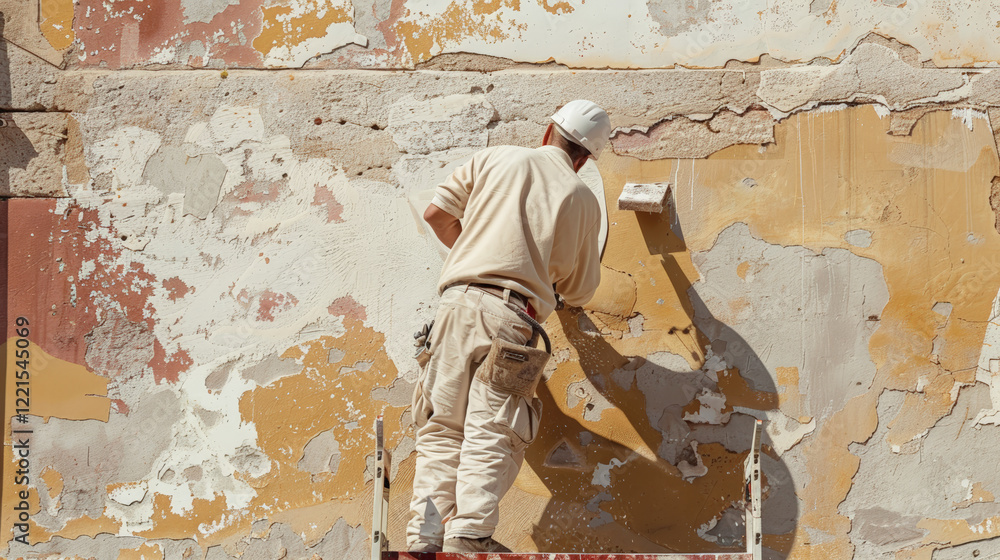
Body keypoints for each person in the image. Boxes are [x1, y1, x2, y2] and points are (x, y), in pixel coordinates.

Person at [408, 100, 611, 553]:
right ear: (585, 159)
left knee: (441, 427)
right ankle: (469, 533)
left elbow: (436, 216)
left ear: (548, 131)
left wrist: (478, 256)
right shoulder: (582, 200)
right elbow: (579, 292)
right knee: (492, 428)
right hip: (513, 320)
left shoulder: (495, 157)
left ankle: (424, 537)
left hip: (455, 306)